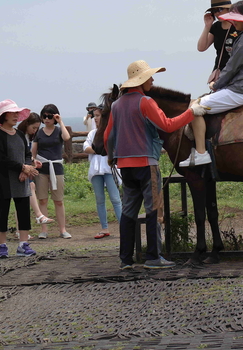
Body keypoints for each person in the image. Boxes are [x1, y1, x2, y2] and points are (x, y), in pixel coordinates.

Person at [104, 60, 207, 270]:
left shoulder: (116, 105)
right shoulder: (146, 102)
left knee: (128, 211)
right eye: (150, 76)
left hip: (125, 166)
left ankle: (126, 259)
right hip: (147, 163)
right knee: (153, 209)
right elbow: (167, 125)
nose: (152, 79)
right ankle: (153, 256)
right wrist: (191, 113)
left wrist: (112, 156)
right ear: (141, 80)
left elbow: (108, 136)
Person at [179, 0, 243, 167]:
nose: (232, 21)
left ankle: (201, 153)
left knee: (194, 108)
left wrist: (216, 85)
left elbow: (231, 68)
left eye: (235, 18)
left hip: (239, 90)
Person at [0, 99, 39, 259]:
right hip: (3, 180)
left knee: (24, 211)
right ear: (4, 115)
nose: (16, 116)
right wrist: (22, 167)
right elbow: (0, 159)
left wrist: (26, 169)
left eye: (17, 113)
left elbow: (26, 153)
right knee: (2, 212)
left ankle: (23, 245)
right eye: (13, 113)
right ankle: (2, 246)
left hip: (20, 180)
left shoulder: (19, 135)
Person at [32, 104, 72, 239]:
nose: (47, 119)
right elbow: (33, 152)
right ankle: (44, 230)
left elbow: (66, 138)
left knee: (58, 200)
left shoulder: (59, 130)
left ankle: (62, 229)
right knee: (42, 200)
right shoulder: (39, 132)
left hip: (56, 168)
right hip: (42, 168)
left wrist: (60, 121)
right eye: (44, 116)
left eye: (50, 116)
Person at [83, 106, 122, 239]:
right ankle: (104, 228)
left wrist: (98, 149)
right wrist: (99, 149)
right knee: (100, 199)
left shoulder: (112, 132)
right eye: (94, 116)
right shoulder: (92, 133)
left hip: (109, 169)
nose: (96, 118)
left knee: (115, 199)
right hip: (95, 170)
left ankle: (124, 227)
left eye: (98, 115)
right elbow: (86, 147)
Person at [16, 112, 54, 226]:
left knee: (23, 200)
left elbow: (26, 154)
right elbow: (18, 154)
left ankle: (21, 230)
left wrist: (33, 160)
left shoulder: (27, 137)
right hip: (19, 168)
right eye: (33, 127)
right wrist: (24, 169)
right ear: (26, 124)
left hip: (24, 167)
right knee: (29, 189)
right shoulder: (19, 136)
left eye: (37, 128)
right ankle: (39, 215)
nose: (35, 131)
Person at [197, 0, 238, 85]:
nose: (217, 13)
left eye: (220, 9)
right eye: (214, 10)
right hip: (219, 73)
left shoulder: (239, 26)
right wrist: (207, 26)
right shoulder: (216, 27)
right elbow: (201, 48)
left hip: (236, 73)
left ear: (229, 9)